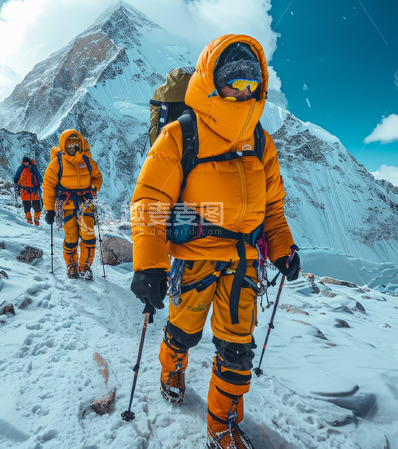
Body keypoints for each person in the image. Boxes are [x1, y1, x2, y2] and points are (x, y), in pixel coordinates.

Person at [130, 35, 301, 449]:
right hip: (195, 257)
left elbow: (273, 208)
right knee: (184, 331)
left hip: (245, 262)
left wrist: (282, 248)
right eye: (234, 83)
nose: (244, 92)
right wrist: (148, 264)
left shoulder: (262, 142)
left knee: (238, 349)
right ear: (213, 82)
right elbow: (150, 203)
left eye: (251, 85)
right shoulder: (180, 135)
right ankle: (171, 369)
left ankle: (221, 425)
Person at [43, 130, 103, 280]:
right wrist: (49, 210)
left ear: (80, 144)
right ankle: (72, 266)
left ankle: (85, 267)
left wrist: (95, 186)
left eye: (75, 143)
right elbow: (48, 187)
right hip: (68, 202)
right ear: (64, 145)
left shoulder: (87, 161)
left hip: (85, 200)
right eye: (69, 144)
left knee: (88, 234)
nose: (72, 146)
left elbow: (97, 177)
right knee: (71, 236)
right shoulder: (56, 164)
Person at [13, 156, 43, 226]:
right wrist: (16, 187)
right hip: (24, 191)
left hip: (34, 191)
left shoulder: (33, 168)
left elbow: (39, 178)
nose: (25, 164)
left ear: (29, 162)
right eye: (24, 163)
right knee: (26, 207)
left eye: (27, 163)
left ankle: (36, 219)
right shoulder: (20, 169)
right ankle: (29, 220)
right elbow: (16, 179)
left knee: (38, 206)